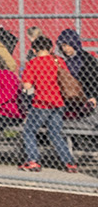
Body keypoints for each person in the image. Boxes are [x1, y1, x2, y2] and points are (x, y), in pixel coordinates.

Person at [19, 35, 80, 172]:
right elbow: (66, 77)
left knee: (29, 130)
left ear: (34, 50)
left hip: (42, 103)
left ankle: (33, 160)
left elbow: (27, 86)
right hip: (59, 102)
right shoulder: (58, 60)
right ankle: (69, 162)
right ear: (51, 48)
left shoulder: (33, 63)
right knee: (55, 133)